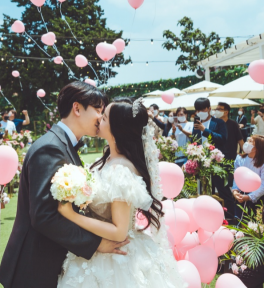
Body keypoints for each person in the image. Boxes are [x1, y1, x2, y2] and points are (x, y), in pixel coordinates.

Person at [0, 81, 127, 288]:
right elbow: (43, 216)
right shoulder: (50, 148)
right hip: (35, 266)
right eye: (97, 110)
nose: (101, 118)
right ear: (77, 108)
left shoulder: (63, 145)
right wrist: (96, 244)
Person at [57, 98, 185, 288]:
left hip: (117, 257)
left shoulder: (121, 171)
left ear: (118, 128)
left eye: (105, 117)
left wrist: (72, 216)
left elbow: (119, 232)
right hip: (98, 249)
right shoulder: (108, 160)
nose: (99, 119)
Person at [191, 98, 229, 217]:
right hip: (202, 165)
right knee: (204, 194)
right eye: (197, 110)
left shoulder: (218, 123)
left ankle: (231, 218)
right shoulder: (196, 125)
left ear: (209, 109)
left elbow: (223, 139)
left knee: (223, 192)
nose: (200, 112)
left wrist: (205, 130)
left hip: (217, 164)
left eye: (202, 109)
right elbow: (195, 142)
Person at [232, 135, 264, 218]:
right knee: (241, 222)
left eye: (250, 142)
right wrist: (235, 191)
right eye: (248, 140)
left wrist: (250, 197)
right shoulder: (239, 159)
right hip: (241, 196)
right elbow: (237, 177)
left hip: (257, 198)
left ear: (257, 148)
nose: (247, 143)